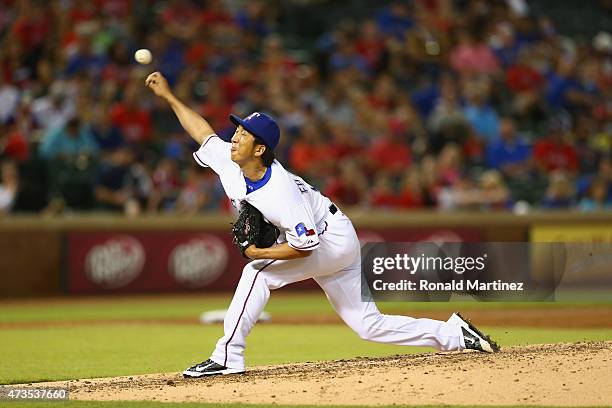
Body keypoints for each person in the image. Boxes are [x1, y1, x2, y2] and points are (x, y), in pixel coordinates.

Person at [144, 71, 499, 378]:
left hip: (328, 241)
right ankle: (455, 335)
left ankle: (227, 357)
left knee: (257, 272)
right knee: (367, 324)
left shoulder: (279, 191)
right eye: (237, 129)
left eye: (243, 133)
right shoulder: (231, 160)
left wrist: (260, 251)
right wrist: (169, 96)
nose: (234, 136)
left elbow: (306, 245)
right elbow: (202, 132)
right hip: (335, 233)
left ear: (259, 149)